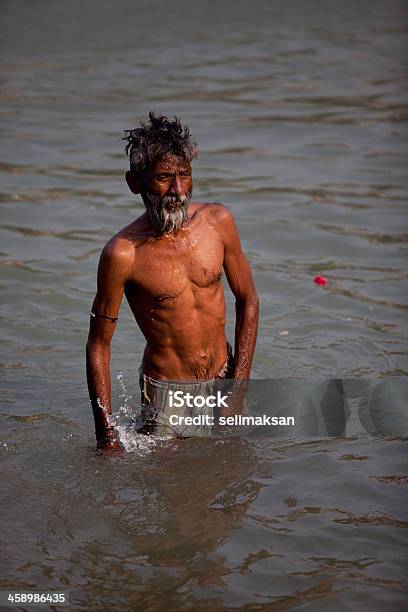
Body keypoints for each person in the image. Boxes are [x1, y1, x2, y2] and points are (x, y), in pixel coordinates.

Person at [86, 112, 259, 451]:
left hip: (226, 376)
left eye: (184, 175)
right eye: (165, 177)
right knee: (174, 494)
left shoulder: (218, 222)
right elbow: (98, 345)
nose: (178, 190)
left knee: (235, 483)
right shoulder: (123, 254)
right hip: (167, 395)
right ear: (135, 183)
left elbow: (248, 299)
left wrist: (237, 388)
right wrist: (105, 435)